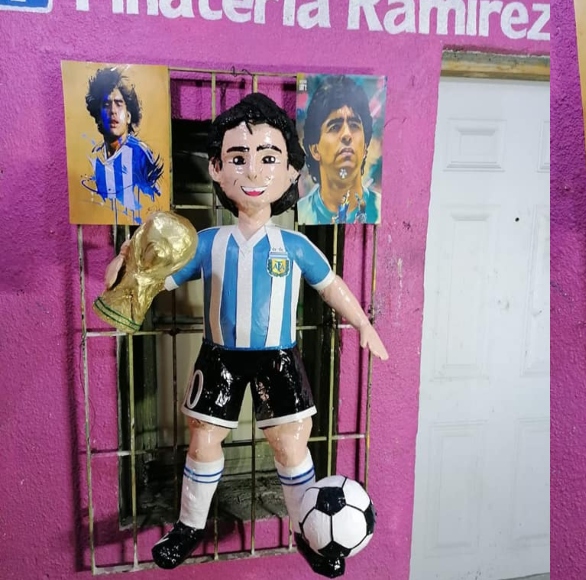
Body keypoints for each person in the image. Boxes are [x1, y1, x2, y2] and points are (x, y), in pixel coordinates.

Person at [104, 93, 388, 577]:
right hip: (220, 357)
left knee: (291, 445)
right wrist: (128, 263)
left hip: (279, 358)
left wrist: (362, 323)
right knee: (203, 439)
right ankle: (190, 525)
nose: (253, 171)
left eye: (268, 158)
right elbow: (155, 280)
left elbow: (331, 285)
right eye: (238, 158)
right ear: (216, 169)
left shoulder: (294, 245)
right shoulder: (207, 243)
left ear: (292, 171)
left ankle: (307, 529)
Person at [83, 66, 164, 224]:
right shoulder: (94, 158)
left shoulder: (141, 154)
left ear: (128, 116)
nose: (113, 111)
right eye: (106, 104)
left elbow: (157, 204)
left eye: (119, 103)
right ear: (98, 116)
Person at [296, 75, 380, 224]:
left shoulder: (379, 210)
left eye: (354, 125)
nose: (347, 135)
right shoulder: (301, 215)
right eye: (335, 127)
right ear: (315, 149)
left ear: (365, 146)